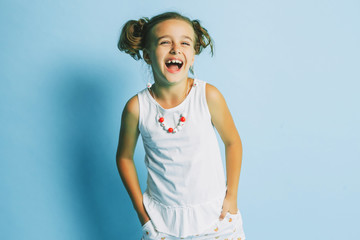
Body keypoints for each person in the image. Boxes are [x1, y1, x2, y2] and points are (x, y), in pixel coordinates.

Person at [116, 12, 246, 240]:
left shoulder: (208, 96)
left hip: (217, 219)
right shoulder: (137, 108)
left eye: (184, 43)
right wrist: (142, 213)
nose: (176, 49)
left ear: (193, 55)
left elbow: (232, 141)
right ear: (147, 55)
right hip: (161, 224)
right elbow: (124, 157)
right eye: (165, 42)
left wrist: (232, 197)